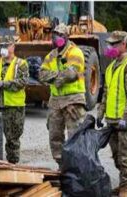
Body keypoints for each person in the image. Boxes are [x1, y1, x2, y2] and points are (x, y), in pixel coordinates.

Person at [39, 23, 87, 168]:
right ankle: (62, 166)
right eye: (55, 35)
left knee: (75, 136)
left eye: (60, 35)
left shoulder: (75, 52)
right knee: (54, 135)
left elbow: (71, 73)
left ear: (66, 37)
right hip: (55, 101)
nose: (57, 38)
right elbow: (42, 75)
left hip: (73, 100)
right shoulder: (51, 55)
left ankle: (76, 168)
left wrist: (54, 78)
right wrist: (58, 77)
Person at [97, 31, 127, 197]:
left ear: (124, 45)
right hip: (112, 120)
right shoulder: (111, 66)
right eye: (110, 44)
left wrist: (126, 118)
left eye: (114, 44)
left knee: (125, 156)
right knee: (116, 155)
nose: (110, 47)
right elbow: (106, 92)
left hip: (126, 120)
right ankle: (123, 184)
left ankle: (126, 188)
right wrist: (100, 113)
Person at [0, 35, 29, 164]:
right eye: (1, 46)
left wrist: (4, 84)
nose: (3, 48)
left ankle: (12, 165)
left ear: (13, 46)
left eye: (6, 45)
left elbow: (22, 81)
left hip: (13, 108)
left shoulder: (21, 64)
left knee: (12, 140)